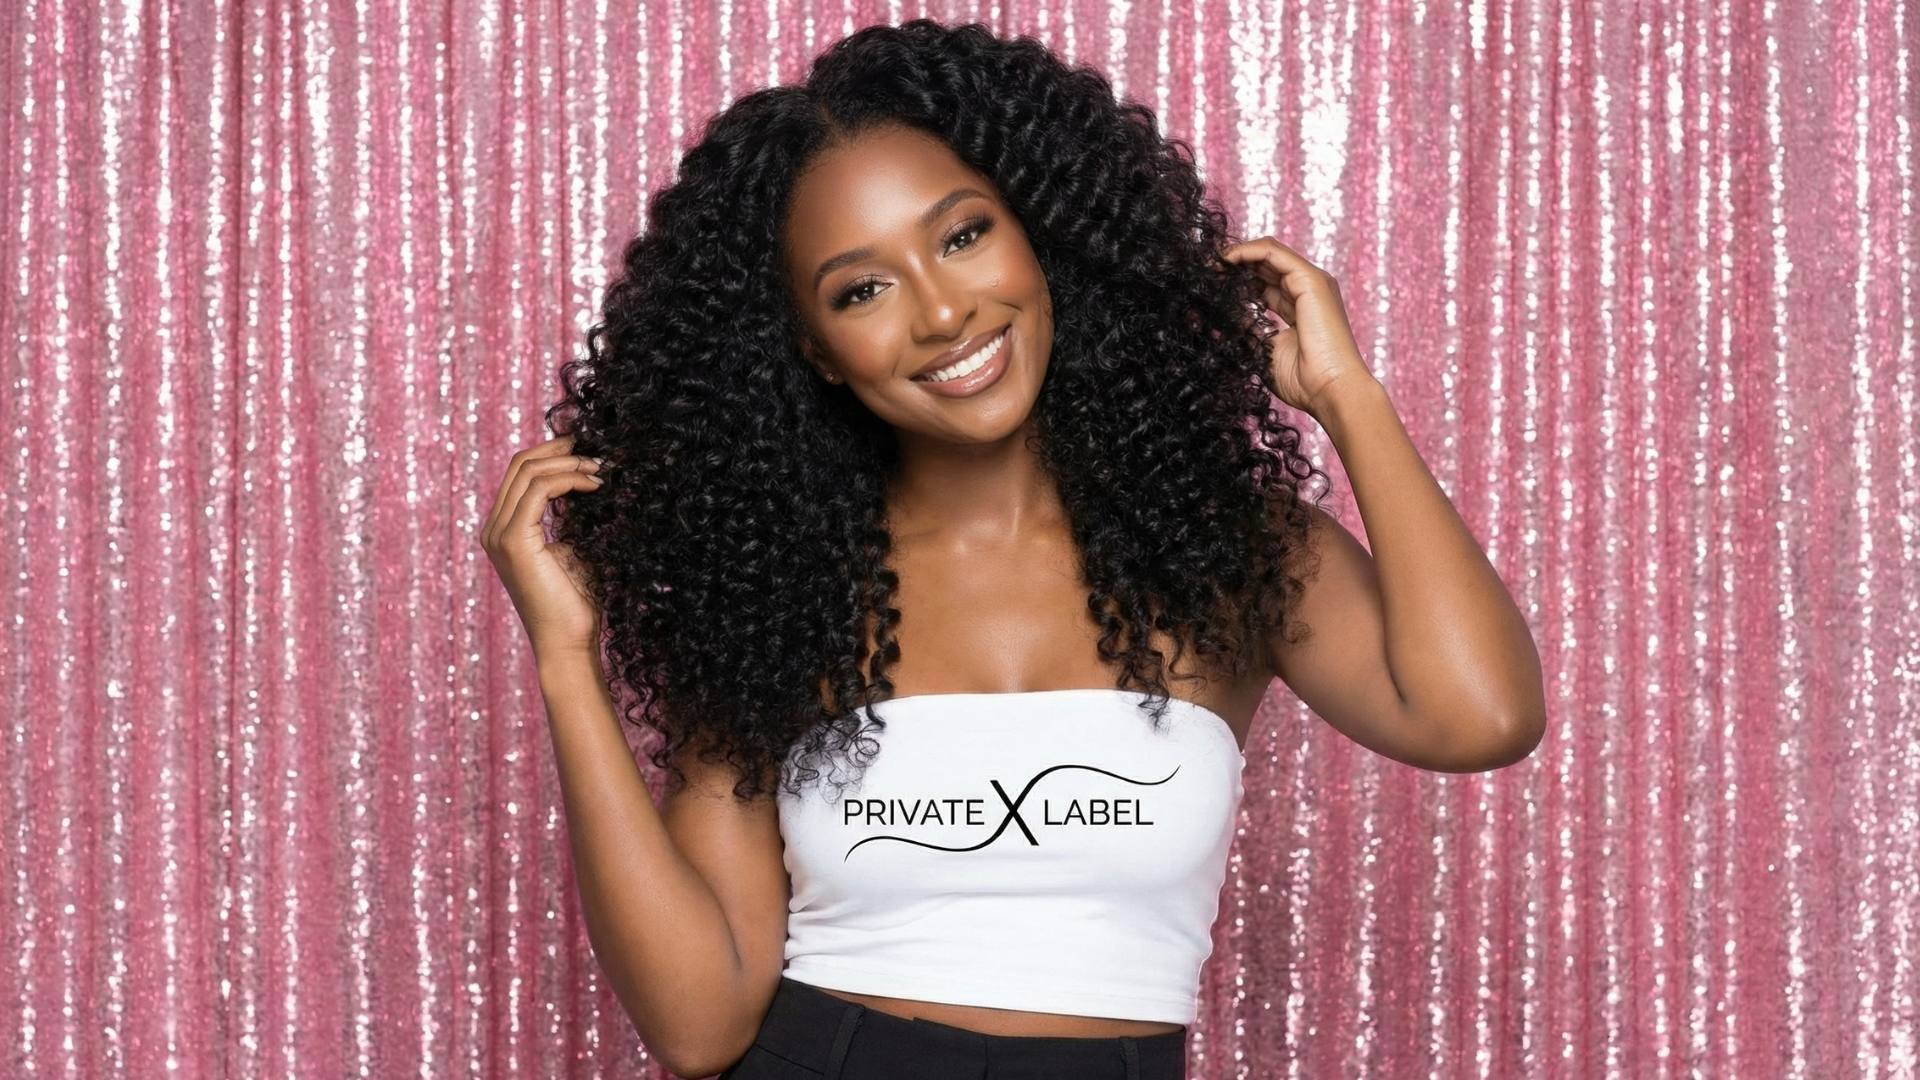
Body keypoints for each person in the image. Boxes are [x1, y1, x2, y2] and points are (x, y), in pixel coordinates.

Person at [478, 18, 1546, 1080]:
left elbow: (1479, 717)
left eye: (962, 235)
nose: (943, 312)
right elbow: (699, 1025)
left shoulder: (1228, 552)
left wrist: (1346, 400)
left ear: (1040, 235)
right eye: (864, 289)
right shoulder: (781, 602)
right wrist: (566, 659)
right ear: (815, 351)